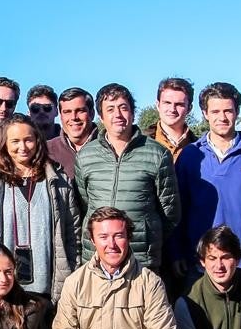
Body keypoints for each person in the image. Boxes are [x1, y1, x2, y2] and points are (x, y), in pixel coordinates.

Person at [0, 115, 79, 301]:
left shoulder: (58, 182)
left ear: (37, 141)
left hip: (48, 291)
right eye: (15, 141)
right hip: (0, 291)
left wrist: (72, 273)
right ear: (4, 144)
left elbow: (73, 234)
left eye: (28, 140)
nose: (22, 147)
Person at [171, 82, 241, 278]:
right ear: (205, 113)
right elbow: (178, 211)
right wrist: (177, 252)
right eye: (215, 111)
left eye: (228, 111)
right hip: (200, 263)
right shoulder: (191, 155)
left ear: (237, 112)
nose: (222, 117)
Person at [74, 83, 181, 270]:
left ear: (132, 112)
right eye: (110, 109)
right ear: (101, 116)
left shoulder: (157, 154)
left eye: (123, 108)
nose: (118, 115)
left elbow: (170, 213)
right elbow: (84, 205)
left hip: (141, 258)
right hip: (97, 257)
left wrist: (148, 237)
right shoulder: (85, 156)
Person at [46, 87, 97, 179]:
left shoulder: (110, 146)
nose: (73, 117)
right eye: (67, 112)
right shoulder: (46, 151)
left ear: (92, 113)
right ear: (61, 116)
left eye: (80, 111)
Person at [145, 77, 196, 162]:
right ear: (158, 105)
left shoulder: (200, 149)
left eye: (179, 104)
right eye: (167, 103)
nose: (172, 109)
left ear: (189, 108)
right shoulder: (139, 144)